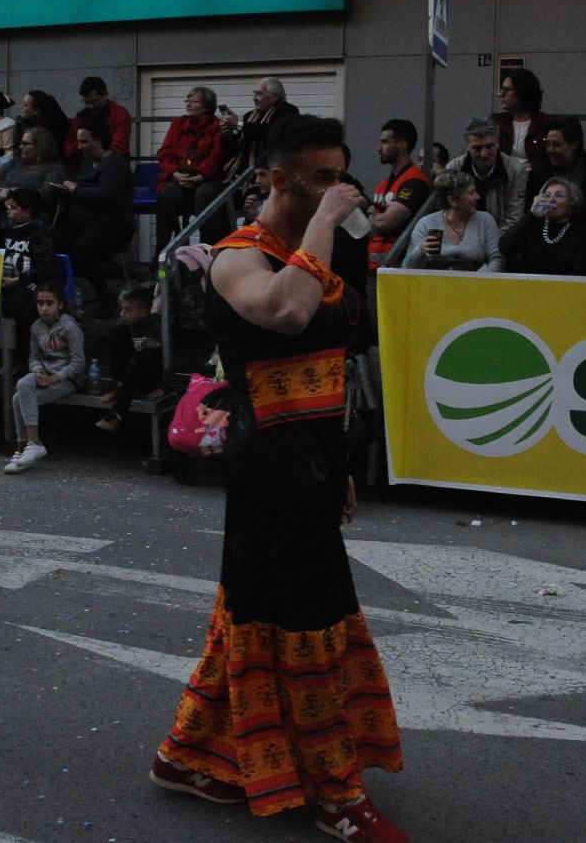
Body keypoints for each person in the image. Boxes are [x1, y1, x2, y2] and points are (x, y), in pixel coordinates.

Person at [152, 114, 405, 841]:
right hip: (268, 466)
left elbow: (330, 363)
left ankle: (188, 755)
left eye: (339, 175)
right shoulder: (239, 257)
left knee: (255, 618)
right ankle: (334, 795)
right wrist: (329, 219)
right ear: (273, 179)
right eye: (319, 179)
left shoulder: (314, 249)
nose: (337, 190)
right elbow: (289, 312)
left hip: (313, 460)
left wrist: (340, 469)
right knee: (309, 625)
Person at [51, 119, 135, 314]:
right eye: (79, 142)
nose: (80, 147)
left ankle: (104, 292)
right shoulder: (85, 163)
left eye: (85, 142)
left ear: (98, 140)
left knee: (82, 251)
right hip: (84, 221)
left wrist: (76, 190)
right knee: (55, 241)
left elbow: (107, 195)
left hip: (113, 222)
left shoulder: (115, 164)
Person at [3, 283, 84, 474]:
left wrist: (55, 377)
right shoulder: (36, 327)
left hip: (68, 379)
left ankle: (31, 443)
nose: (44, 308)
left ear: (60, 305)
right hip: (45, 374)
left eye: (50, 303)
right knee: (20, 390)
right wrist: (37, 370)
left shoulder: (70, 328)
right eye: (40, 303)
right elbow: (34, 357)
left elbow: (79, 364)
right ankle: (25, 447)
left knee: (20, 393)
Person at [155, 86, 228, 245]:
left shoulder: (217, 126)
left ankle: (206, 250)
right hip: (179, 176)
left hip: (206, 178)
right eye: (187, 101)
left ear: (207, 106)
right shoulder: (178, 123)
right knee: (167, 195)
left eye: (194, 102)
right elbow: (165, 152)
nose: (188, 104)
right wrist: (174, 173)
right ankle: (162, 252)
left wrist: (200, 176)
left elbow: (217, 156)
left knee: (205, 195)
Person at [402, 169, 504, 272]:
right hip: (436, 284)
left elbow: (497, 260)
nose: (477, 196)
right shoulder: (426, 224)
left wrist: (480, 280)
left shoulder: (485, 220)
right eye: (471, 193)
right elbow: (406, 267)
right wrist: (420, 250)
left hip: (475, 284)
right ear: (453, 200)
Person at [95, 283, 164, 432]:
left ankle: (116, 415)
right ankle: (120, 387)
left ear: (144, 312)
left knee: (145, 356)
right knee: (115, 333)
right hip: (128, 377)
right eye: (122, 309)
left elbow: (171, 359)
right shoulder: (124, 327)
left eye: (128, 310)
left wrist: (162, 387)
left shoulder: (157, 328)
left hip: (148, 377)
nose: (122, 314)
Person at [366, 119, 429, 271]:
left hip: (399, 267)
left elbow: (385, 222)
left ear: (401, 145)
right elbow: (370, 226)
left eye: (385, 142)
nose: (379, 148)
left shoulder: (415, 181)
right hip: (375, 267)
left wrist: (370, 214)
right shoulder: (383, 185)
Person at [444, 116, 527, 231]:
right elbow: (447, 212)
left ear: (498, 144)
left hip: (501, 239)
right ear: (467, 146)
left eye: (489, 147)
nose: (484, 154)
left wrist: (492, 243)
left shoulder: (515, 170)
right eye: (477, 148)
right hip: (462, 236)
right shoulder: (453, 169)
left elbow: (514, 218)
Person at [221, 76, 297, 178]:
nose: (254, 98)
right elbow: (237, 148)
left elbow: (272, 132)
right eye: (254, 93)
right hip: (242, 171)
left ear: (274, 96)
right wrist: (229, 133)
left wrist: (239, 124)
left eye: (259, 94)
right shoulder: (249, 116)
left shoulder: (288, 111)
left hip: (270, 170)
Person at [0, 187, 56, 320]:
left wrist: (18, 280)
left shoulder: (40, 234)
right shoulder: (7, 232)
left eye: (13, 208)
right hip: (8, 279)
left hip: (31, 282)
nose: (8, 211)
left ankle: (19, 339)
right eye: (7, 208)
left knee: (15, 305)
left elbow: (44, 269)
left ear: (27, 212)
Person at [492, 67, 555, 167]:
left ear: (523, 91)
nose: (500, 94)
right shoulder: (495, 122)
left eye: (507, 90)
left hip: (537, 180)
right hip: (503, 178)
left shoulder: (547, 124)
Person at [64, 76, 133, 165]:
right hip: (86, 164)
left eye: (94, 102)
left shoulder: (119, 114)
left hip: (112, 164)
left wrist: (84, 148)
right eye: (86, 102)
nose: (90, 106)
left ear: (105, 95)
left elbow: (118, 147)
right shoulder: (81, 116)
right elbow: (69, 145)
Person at [0, 125, 65, 203]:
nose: (20, 147)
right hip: (1, 205)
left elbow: (46, 194)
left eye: (25, 144)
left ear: (40, 146)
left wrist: (11, 192)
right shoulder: (16, 161)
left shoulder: (55, 168)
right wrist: (3, 193)